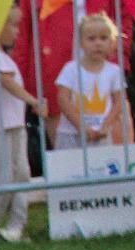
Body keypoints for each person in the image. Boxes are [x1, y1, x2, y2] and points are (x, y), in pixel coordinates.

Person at [11, 0, 134, 147]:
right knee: (69, 163)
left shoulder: (112, 72)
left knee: (118, 158)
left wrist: (116, 59)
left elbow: (123, 20)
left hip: (107, 84)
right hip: (54, 85)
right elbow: (22, 37)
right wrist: (31, 93)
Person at [0, 4, 46, 243]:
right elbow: (6, 82)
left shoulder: (1, 56)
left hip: (14, 125)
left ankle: (16, 225)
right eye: (12, 25)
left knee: (21, 174)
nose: (17, 31)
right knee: (0, 177)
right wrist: (32, 100)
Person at [53, 13, 126, 150]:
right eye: (91, 39)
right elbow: (63, 98)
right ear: (81, 43)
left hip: (101, 134)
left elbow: (119, 100)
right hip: (71, 134)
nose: (98, 43)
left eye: (103, 38)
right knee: (70, 169)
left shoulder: (114, 71)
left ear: (112, 42)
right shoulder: (71, 69)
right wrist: (81, 126)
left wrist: (106, 125)